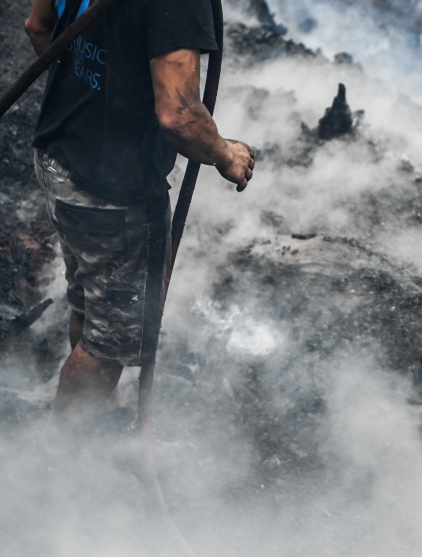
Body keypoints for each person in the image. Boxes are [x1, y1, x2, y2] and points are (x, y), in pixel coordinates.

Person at [23, 0, 255, 449]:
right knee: (111, 344)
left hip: (57, 158)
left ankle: (99, 414)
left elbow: (38, 27)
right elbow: (180, 116)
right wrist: (227, 154)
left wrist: (87, 100)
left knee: (93, 303)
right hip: (112, 193)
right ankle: (58, 458)